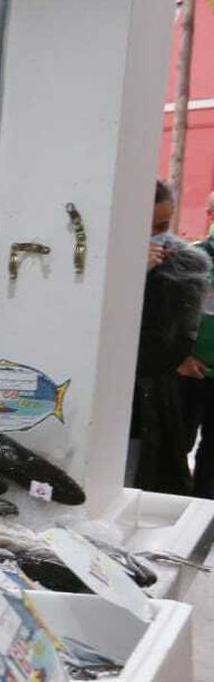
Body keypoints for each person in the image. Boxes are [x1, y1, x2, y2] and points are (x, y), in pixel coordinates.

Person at [132, 180, 209, 494]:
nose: (156, 236)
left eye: (162, 225)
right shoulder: (97, 265)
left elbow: (170, 339)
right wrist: (131, 276)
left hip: (154, 397)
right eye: (146, 227)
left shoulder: (184, 265)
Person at [178, 192, 214, 496]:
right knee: (178, 444)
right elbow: (169, 315)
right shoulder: (192, 259)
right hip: (189, 372)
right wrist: (181, 357)